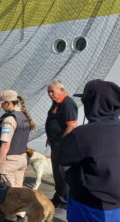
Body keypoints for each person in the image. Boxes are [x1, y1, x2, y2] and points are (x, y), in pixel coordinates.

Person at [58, 79, 120, 222]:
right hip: (114, 206)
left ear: (92, 103)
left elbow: (61, 156)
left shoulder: (84, 133)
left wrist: (71, 134)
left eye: (85, 100)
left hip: (87, 204)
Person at [0, 90, 37, 222]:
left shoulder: (10, 119)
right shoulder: (24, 116)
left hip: (9, 161)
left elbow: (5, 144)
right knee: (19, 194)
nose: (1, 107)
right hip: (22, 159)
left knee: (8, 196)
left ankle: (10, 218)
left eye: (3, 104)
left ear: (8, 103)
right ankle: (20, 218)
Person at [45, 79, 78, 209]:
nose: (50, 94)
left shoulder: (67, 103)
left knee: (63, 173)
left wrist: (62, 142)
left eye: (52, 91)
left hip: (63, 145)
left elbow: (72, 125)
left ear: (61, 90)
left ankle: (65, 201)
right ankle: (59, 196)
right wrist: (50, 137)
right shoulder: (56, 103)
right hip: (55, 143)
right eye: (48, 91)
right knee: (57, 173)